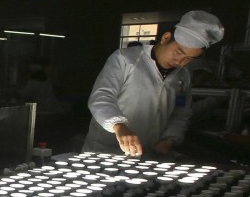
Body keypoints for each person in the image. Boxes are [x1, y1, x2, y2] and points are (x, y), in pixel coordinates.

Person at [83, 10, 224, 157]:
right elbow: (101, 97)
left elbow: (180, 114)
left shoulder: (183, 75)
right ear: (165, 38)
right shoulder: (125, 59)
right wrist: (119, 126)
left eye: (190, 58)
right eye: (179, 52)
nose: (181, 61)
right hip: (105, 151)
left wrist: (169, 139)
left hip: (149, 154)